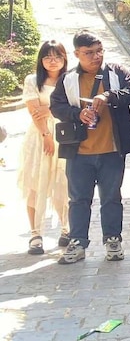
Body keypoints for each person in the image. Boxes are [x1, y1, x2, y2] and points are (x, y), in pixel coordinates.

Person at [50, 32, 130, 265]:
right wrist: (77, 114)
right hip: (79, 152)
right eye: (89, 53)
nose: (96, 56)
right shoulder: (68, 79)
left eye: (99, 51)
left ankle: (113, 240)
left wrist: (109, 96)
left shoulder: (117, 72)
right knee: (78, 199)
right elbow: (56, 106)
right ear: (77, 54)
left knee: (111, 198)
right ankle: (78, 243)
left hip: (112, 150)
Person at [19, 40, 70, 254]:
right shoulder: (33, 80)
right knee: (35, 183)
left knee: (63, 183)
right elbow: (34, 111)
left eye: (57, 56)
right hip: (39, 137)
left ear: (64, 58)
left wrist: (49, 109)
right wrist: (46, 135)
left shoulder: (70, 80)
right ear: (41, 60)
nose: (53, 61)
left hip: (65, 135)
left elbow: (72, 106)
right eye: (48, 57)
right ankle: (35, 234)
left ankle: (66, 229)